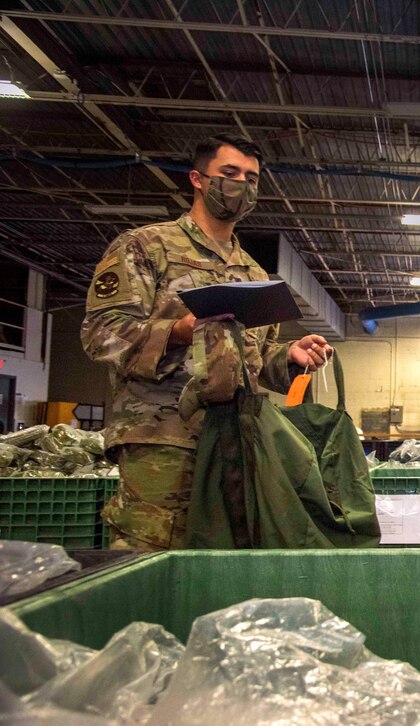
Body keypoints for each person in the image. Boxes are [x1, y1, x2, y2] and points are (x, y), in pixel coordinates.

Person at [82, 133, 334, 551]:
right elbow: (101, 332)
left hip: (237, 439)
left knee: (227, 553)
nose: (241, 185)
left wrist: (287, 357)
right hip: (163, 436)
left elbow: (250, 358)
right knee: (152, 550)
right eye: (230, 173)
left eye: (251, 178)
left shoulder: (254, 274)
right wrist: (180, 330)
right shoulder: (147, 246)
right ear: (198, 179)